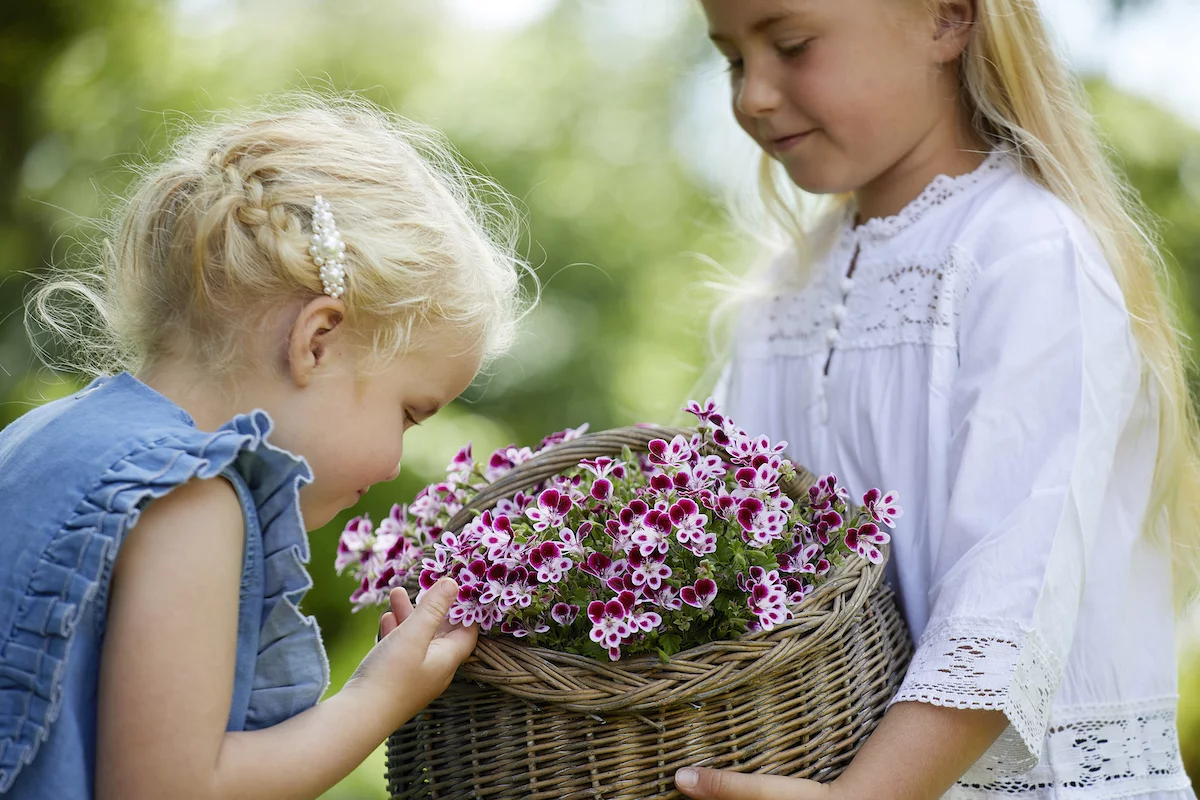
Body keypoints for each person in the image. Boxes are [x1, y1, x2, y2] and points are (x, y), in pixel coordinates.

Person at [674, 1, 1200, 798]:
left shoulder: (1023, 252)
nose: (752, 96)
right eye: (733, 59)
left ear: (949, 19)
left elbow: (1009, 597)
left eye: (790, 45)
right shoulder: (780, 301)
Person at [0, 99, 528, 799]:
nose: (398, 462)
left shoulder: (34, 438)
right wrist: (377, 700)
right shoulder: (192, 497)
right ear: (317, 340)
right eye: (408, 413)